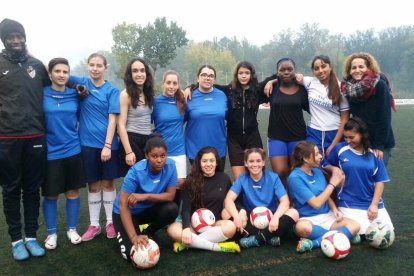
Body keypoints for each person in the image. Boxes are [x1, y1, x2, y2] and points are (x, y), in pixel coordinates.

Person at [0, 18, 49, 261]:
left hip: (36, 135)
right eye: (11, 37)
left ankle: (31, 237)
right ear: (4, 39)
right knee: (10, 190)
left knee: (32, 189)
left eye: (19, 36)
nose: (16, 40)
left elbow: (57, 80)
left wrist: (78, 87)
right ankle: (16, 240)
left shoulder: (36, 65)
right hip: (7, 137)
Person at [185, 61, 267, 180]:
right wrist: (190, 87)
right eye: (240, 73)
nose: (243, 76)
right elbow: (204, 85)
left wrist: (273, 81)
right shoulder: (227, 91)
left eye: (247, 73)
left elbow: (277, 78)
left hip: (249, 137)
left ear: (252, 74)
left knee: (257, 174)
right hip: (230, 139)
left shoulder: (256, 90)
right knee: (235, 179)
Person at [69, 53, 120, 241]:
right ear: (87, 65)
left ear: (105, 67)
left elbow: (113, 119)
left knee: (108, 183)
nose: (95, 68)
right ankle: (94, 225)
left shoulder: (111, 90)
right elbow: (55, 72)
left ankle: (110, 222)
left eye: (99, 65)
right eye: (92, 65)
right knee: (93, 185)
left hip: (108, 145)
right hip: (87, 145)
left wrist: (107, 145)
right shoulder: (81, 82)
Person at [42, 58, 86, 250]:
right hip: (50, 152)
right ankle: (51, 233)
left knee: (73, 192)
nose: (61, 75)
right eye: (57, 71)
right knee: (51, 195)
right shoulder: (41, 93)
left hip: (73, 149)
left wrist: (74, 83)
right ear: (49, 73)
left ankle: (71, 229)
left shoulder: (75, 94)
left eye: (65, 72)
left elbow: (85, 82)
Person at [112, 135, 178, 262]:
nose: (159, 160)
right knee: (130, 254)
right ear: (147, 156)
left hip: (145, 210)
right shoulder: (136, 171)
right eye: (155, 156)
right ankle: (131, 233)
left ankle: (149, 232)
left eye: (162, 156)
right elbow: (122, 204)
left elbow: (170, 196)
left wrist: (145, 196)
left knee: (172, 209)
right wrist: (133, 237)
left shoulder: (171, 166)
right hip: (125, 212)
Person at [325, 117, 394, 236]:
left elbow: (380, 181)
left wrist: (374, 205)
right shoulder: (340, 149)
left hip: (371, 203)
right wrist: (333, 168)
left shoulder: (374, 153)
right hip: (349, 203)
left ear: (362, 135)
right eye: (346, 137)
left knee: (387, 233)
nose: (348, 141)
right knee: (361, 232)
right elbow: (324, 163)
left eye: (352, 137)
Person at [288, 141, 360, 253]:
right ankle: (343, 235)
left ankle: (314, 243)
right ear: (305, 158)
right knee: (301, 228)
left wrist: (335, 210)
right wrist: (332, 184)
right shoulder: (295, 177)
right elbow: (316, 204)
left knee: (355, 225)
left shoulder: (317, 171)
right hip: (308, 219)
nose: (320, 156)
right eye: (316, 154)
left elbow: (325, 196)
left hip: (327, 216)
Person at [167, 147, 240, 253]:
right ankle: (217, 247)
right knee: (172, 229)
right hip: (193, 225)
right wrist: (187, 228)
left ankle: (188, 244)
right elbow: (186, 208)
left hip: (214, 225)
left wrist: (240, 212)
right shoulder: (191, 180)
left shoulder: (224, 178)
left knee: (231, 227)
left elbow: (232, 200)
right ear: (199, 163)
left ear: (216, 162)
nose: (208, 164)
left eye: (212, 161)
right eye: (204, 161)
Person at [224, 148, 299, 248]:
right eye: (251, 161)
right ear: (246, 163)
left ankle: (257, 239)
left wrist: (276, 217)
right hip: (251, 219)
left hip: (272, 218)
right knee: (225, 212)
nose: (255, 164)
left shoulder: (273, 177)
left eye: (258, 161)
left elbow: (285, 201)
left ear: (263, 162)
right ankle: (270, 237)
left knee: (294, 213)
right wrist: (237, 216)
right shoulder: (242, 178)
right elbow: (228, 199)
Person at [341, 52, 395, 166]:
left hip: (380, 143)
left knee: (377, 179)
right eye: (353, 67)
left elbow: (384, 118)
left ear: (369, 68)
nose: (357, 70)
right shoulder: (348, 89)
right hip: (361, 141)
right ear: (349, 70)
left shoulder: (379, 85)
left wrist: (378, 146)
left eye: (361, 66)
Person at [265, 58, 309, 186]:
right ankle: (284, 202)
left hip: (298, 136)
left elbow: (313, 108)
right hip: (276, 137)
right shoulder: (272, 88)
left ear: (295, 71)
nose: (286, 72)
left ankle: (296, 203)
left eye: (289, 69)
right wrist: (270, 81)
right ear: (277, 72)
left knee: (296, 173)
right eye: (282, 70)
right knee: (280, 173)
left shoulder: (302, 89)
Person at [185, 65, 228, 171]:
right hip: (195, 149)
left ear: (214, 79)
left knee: (217, 183)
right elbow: (178, 121)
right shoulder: (188, 96)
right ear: (197, 78)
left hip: (218, 149)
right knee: (198, 184)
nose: (207, 78)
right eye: (203, 75)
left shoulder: (222, 95)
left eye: (211, 76)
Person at [117, 58, 154, 176]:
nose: (139, 74)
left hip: (147, 140)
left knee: (148, 180)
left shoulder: (148, 93)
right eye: (135, 71)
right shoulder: (125, 94)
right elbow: (120, 126)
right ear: (130, 74)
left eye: (142, 71)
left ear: (146, 74)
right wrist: (128, 152)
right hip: (132, 141)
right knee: (134, 181)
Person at [152, 70, 186, 189]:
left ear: (178, 85)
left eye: (175, 83)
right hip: (161, 150)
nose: (171, 86)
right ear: (163, 83)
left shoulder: (182, 101)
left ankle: (176, 208)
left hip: (179, 149)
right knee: (162, 185)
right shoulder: (155, 102)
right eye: (168, 83)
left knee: (179, 183)